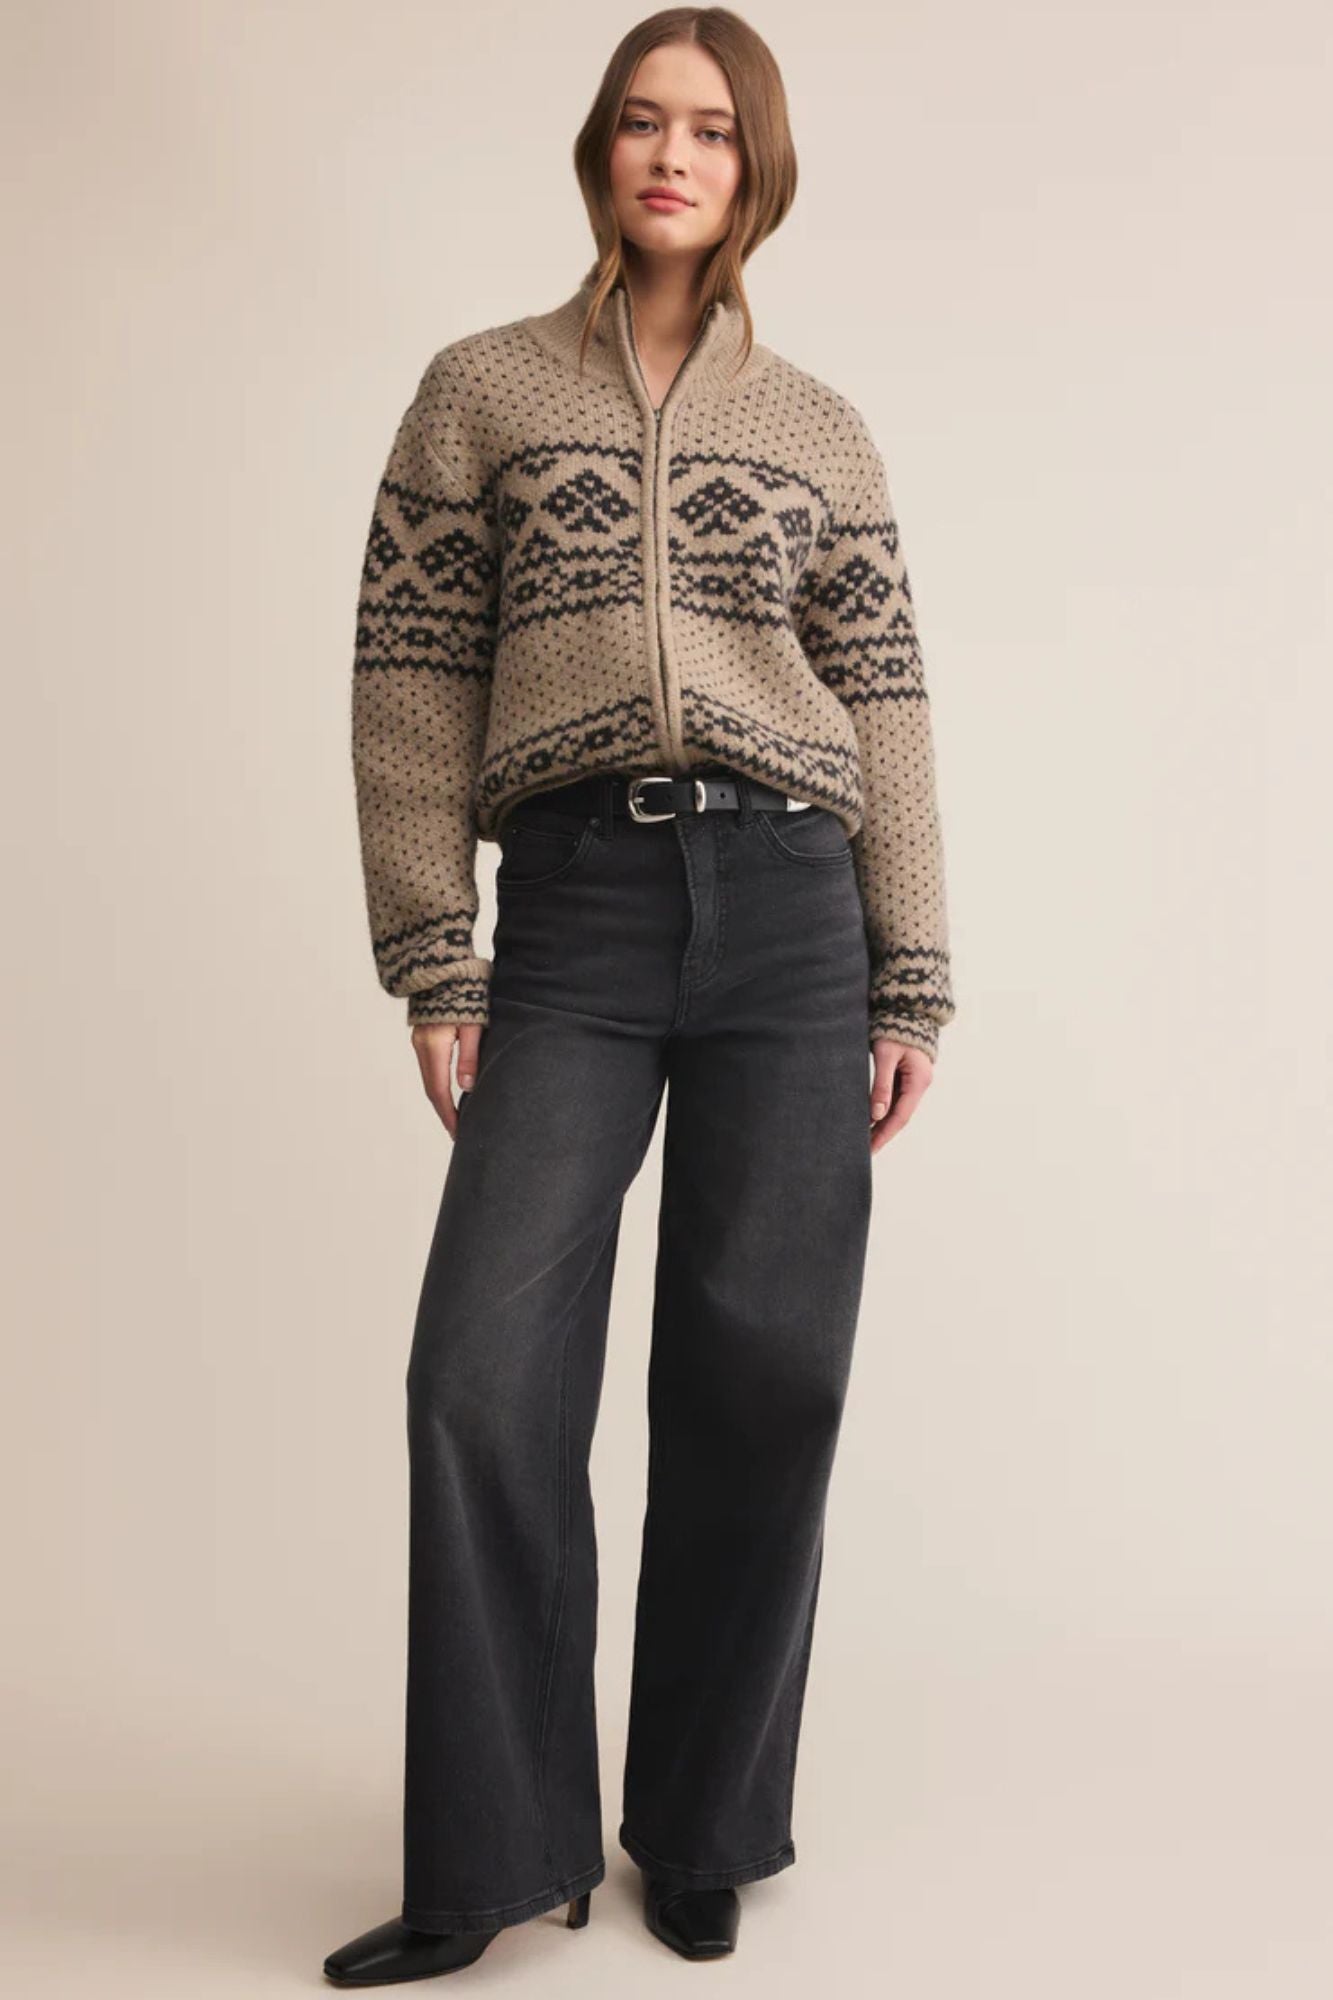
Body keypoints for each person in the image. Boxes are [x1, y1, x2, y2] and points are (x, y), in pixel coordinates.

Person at [324, 8, 955, 1986]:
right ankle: (491, 1856)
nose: (670, 155)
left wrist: (911, 971)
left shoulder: (821, 429)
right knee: (478, 1369)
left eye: (710, 129)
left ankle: (698, 1825)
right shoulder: (481, 392)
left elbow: (886, 706)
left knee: (765, 1368)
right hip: (579, 908)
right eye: (638, 121)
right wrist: (432, 943)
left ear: (758, 166)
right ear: (597, 149)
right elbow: (411, 674)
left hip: (790, 914)